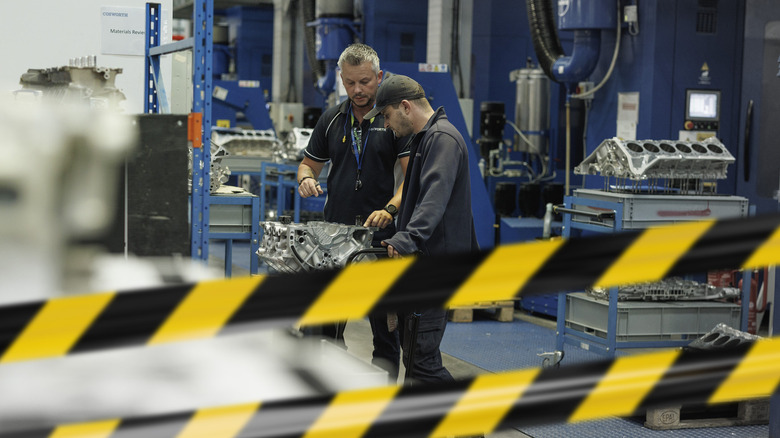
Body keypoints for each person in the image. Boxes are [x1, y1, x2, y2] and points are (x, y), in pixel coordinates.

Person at [297, 43, 409, 382]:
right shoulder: (332, 118)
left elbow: (411, 180)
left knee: (385, 333)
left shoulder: (393, 120)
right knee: (323, 328)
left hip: (381, 243)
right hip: (336, 241)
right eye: (349, 83)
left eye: (364, 82)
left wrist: (390, 209)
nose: (357, 90)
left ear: (379, 76)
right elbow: (308, 165)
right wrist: (305, 179)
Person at [364, 74, 480, 384]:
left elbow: (433, 200)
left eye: (387, 116)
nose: (387, 126)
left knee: (422, 363)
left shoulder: (442, 139)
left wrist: (405, 239)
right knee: (415, 358)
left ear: (404, 106)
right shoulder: (425, 139)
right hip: (425, 264)